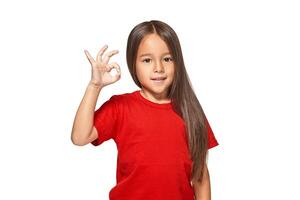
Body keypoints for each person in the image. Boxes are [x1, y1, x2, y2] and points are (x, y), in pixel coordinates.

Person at [71, 20, 219, 200]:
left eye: (167, 59)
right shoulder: (121, 107)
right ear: (133, 64)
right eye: (147, 60)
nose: (158, 68)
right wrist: (95, 86)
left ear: (177, 62)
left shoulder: (190, 110)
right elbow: (79, 137)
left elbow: (200, 174)